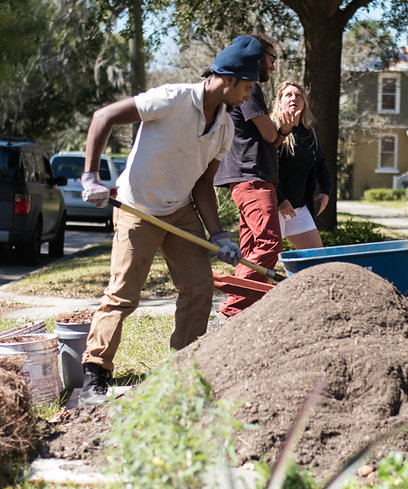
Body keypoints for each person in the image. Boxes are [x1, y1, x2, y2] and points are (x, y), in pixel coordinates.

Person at [75, 35, 261, 405]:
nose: (249, 96)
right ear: (228, 79)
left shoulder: (225, 127)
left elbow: (204, 186)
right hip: (139, 208)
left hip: (178, 210)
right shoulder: (172, 98)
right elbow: (104, 116)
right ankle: (94, 376)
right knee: (123, 294)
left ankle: (181, 369)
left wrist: (219, 234)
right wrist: (90, 176)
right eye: (248, 87)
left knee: (199, 287)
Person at [212, 36, 298, 319]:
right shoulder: (250, 88)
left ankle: (242, 312)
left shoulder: (244, 87)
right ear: (260, 57)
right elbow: (270, 135)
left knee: (250, 249)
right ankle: (231, 311)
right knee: (269, 243)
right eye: (272, 60)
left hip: (249, 179)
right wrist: (283, 128)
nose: (273, 68)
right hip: (252, 179)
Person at [272, 81, 331, 249]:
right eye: (288, 95)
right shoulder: (271, 129)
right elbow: (263, 170)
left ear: (304, 102)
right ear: (279, 102)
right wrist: (280, 200)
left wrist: (326, 191)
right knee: (264, 262)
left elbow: (321, 164)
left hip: (297, 208)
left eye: (298, 95)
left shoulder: (309, 133)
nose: (294, 98)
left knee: (316, 258)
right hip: (273, 206)